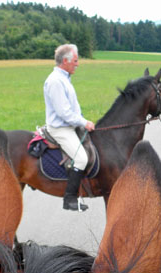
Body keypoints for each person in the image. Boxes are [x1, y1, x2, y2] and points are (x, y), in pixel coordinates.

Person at [44, 44, 95, 212]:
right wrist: (84, 122)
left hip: (69, 125)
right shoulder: (55, 81)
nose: (77, 64)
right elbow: (64, 113)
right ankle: (70, 199)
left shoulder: (64, 79)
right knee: (81, 158)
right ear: (65, 61)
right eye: (75, 60)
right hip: (61, 129)